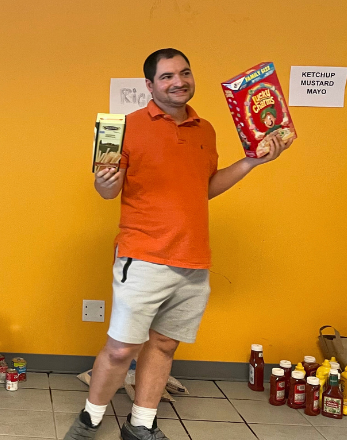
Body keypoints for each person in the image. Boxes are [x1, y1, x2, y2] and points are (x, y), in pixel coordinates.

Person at [64, 49, 293, 440]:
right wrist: (104, 184)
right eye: (167, 76)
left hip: (193, 258)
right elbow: (109, 189)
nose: (178, 81)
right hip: (143, 255)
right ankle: (90, 419)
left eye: (184, 73)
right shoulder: (124, 127)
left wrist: (252, 162)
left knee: (165, 345)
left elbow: (204, 189)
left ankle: (140, 425)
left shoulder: (205, 129)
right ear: (150, 85)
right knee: (121, 349)